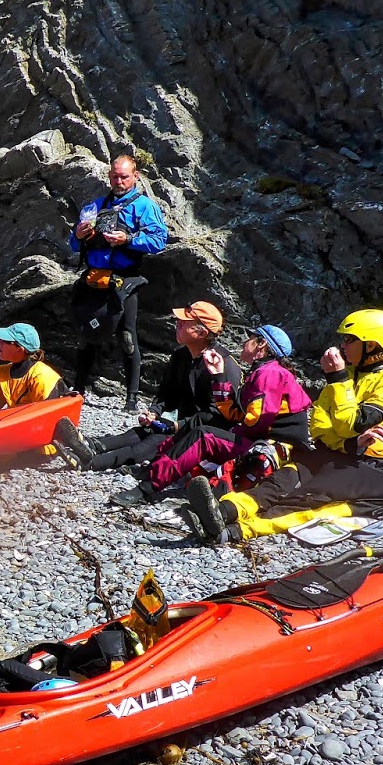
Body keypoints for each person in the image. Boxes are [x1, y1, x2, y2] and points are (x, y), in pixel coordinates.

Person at [184, 309, 383, 544]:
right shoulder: (348, 377)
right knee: (280, 481)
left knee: (309, 498)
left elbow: (349, 424)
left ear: (372, 345)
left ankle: (236, 531)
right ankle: (222, 511)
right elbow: (319, 427)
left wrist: (338, 382)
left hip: (378, 469)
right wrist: (349, 443)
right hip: (337, 454)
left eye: (350, 340)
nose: (342, 346)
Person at [109, 324, 312, 506]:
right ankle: (153, 469)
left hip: (272, 445)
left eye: (250, 337)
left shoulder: (270, 373)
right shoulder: (265, 371)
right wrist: (219, 375)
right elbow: (235, 413)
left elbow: (257, 420)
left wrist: (231, 430)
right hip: (261, 438)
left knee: (204, 436)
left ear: (262, 345)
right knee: (199, 432)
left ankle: (147, 488)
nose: (244, 342)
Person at [54, 301, 241, 473]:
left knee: (148, 446)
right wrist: (154, 412)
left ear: (202, 333)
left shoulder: (225, 366)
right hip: (182, 425)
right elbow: (167, 393)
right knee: (142, 431)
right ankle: (90, 445)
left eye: (184, 322)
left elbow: (216, 415)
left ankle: (89, 463)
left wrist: (177, 425)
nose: (177, 323)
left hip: (202, 434)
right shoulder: (181, 355)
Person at [67, 156, 169, 411]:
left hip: (124, 281)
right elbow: (72, 244)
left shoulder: (145, 206)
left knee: (127, 337)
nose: (119, 181)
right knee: (86, 335)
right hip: (93, 278)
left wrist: (128, 239)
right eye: (115, 176)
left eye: (124, 176)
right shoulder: (96, 206)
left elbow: (159, 241)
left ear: (136, 177)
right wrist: (78, 236)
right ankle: (77, 389)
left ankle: (131, 399)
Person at [0, 323, 67, 412]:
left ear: (20, 349)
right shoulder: (3, 373)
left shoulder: (42, 377)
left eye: (5, 341)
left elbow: (46, 416)